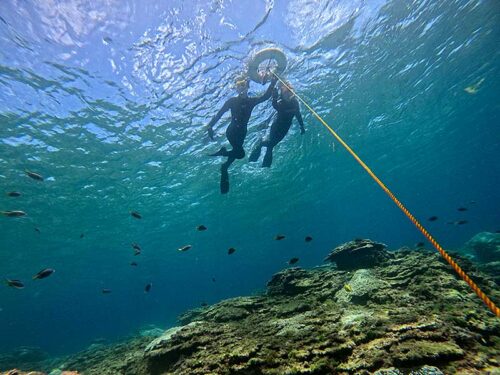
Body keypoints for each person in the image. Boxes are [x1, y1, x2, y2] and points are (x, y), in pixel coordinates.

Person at [207, 75, 277, 194]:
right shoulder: (232, 101)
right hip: (232, 132)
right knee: (240, 154)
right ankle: (223, 152)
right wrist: (210, 126)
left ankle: (225, 167)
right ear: (236, 89)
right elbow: (219, 114)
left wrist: (273, 82)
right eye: (238, 85)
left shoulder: (251, 101)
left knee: (236, 151)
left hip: (242, 133)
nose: (241, 87)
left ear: (247, 85)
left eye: (242, 84)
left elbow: (265, 96)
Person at [249, 81, 304, 167]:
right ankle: (260, 146)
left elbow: (298, 115)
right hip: (276, 127)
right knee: (270, 144)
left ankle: (264, 163)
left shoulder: (295, 102)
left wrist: (302, 126)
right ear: (282, 94)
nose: (289, 94)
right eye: (287, 92)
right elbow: (275, 105)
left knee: (271, 146)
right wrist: (274, 97)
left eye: (291, 91)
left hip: (285, 129)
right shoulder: (281, 103)